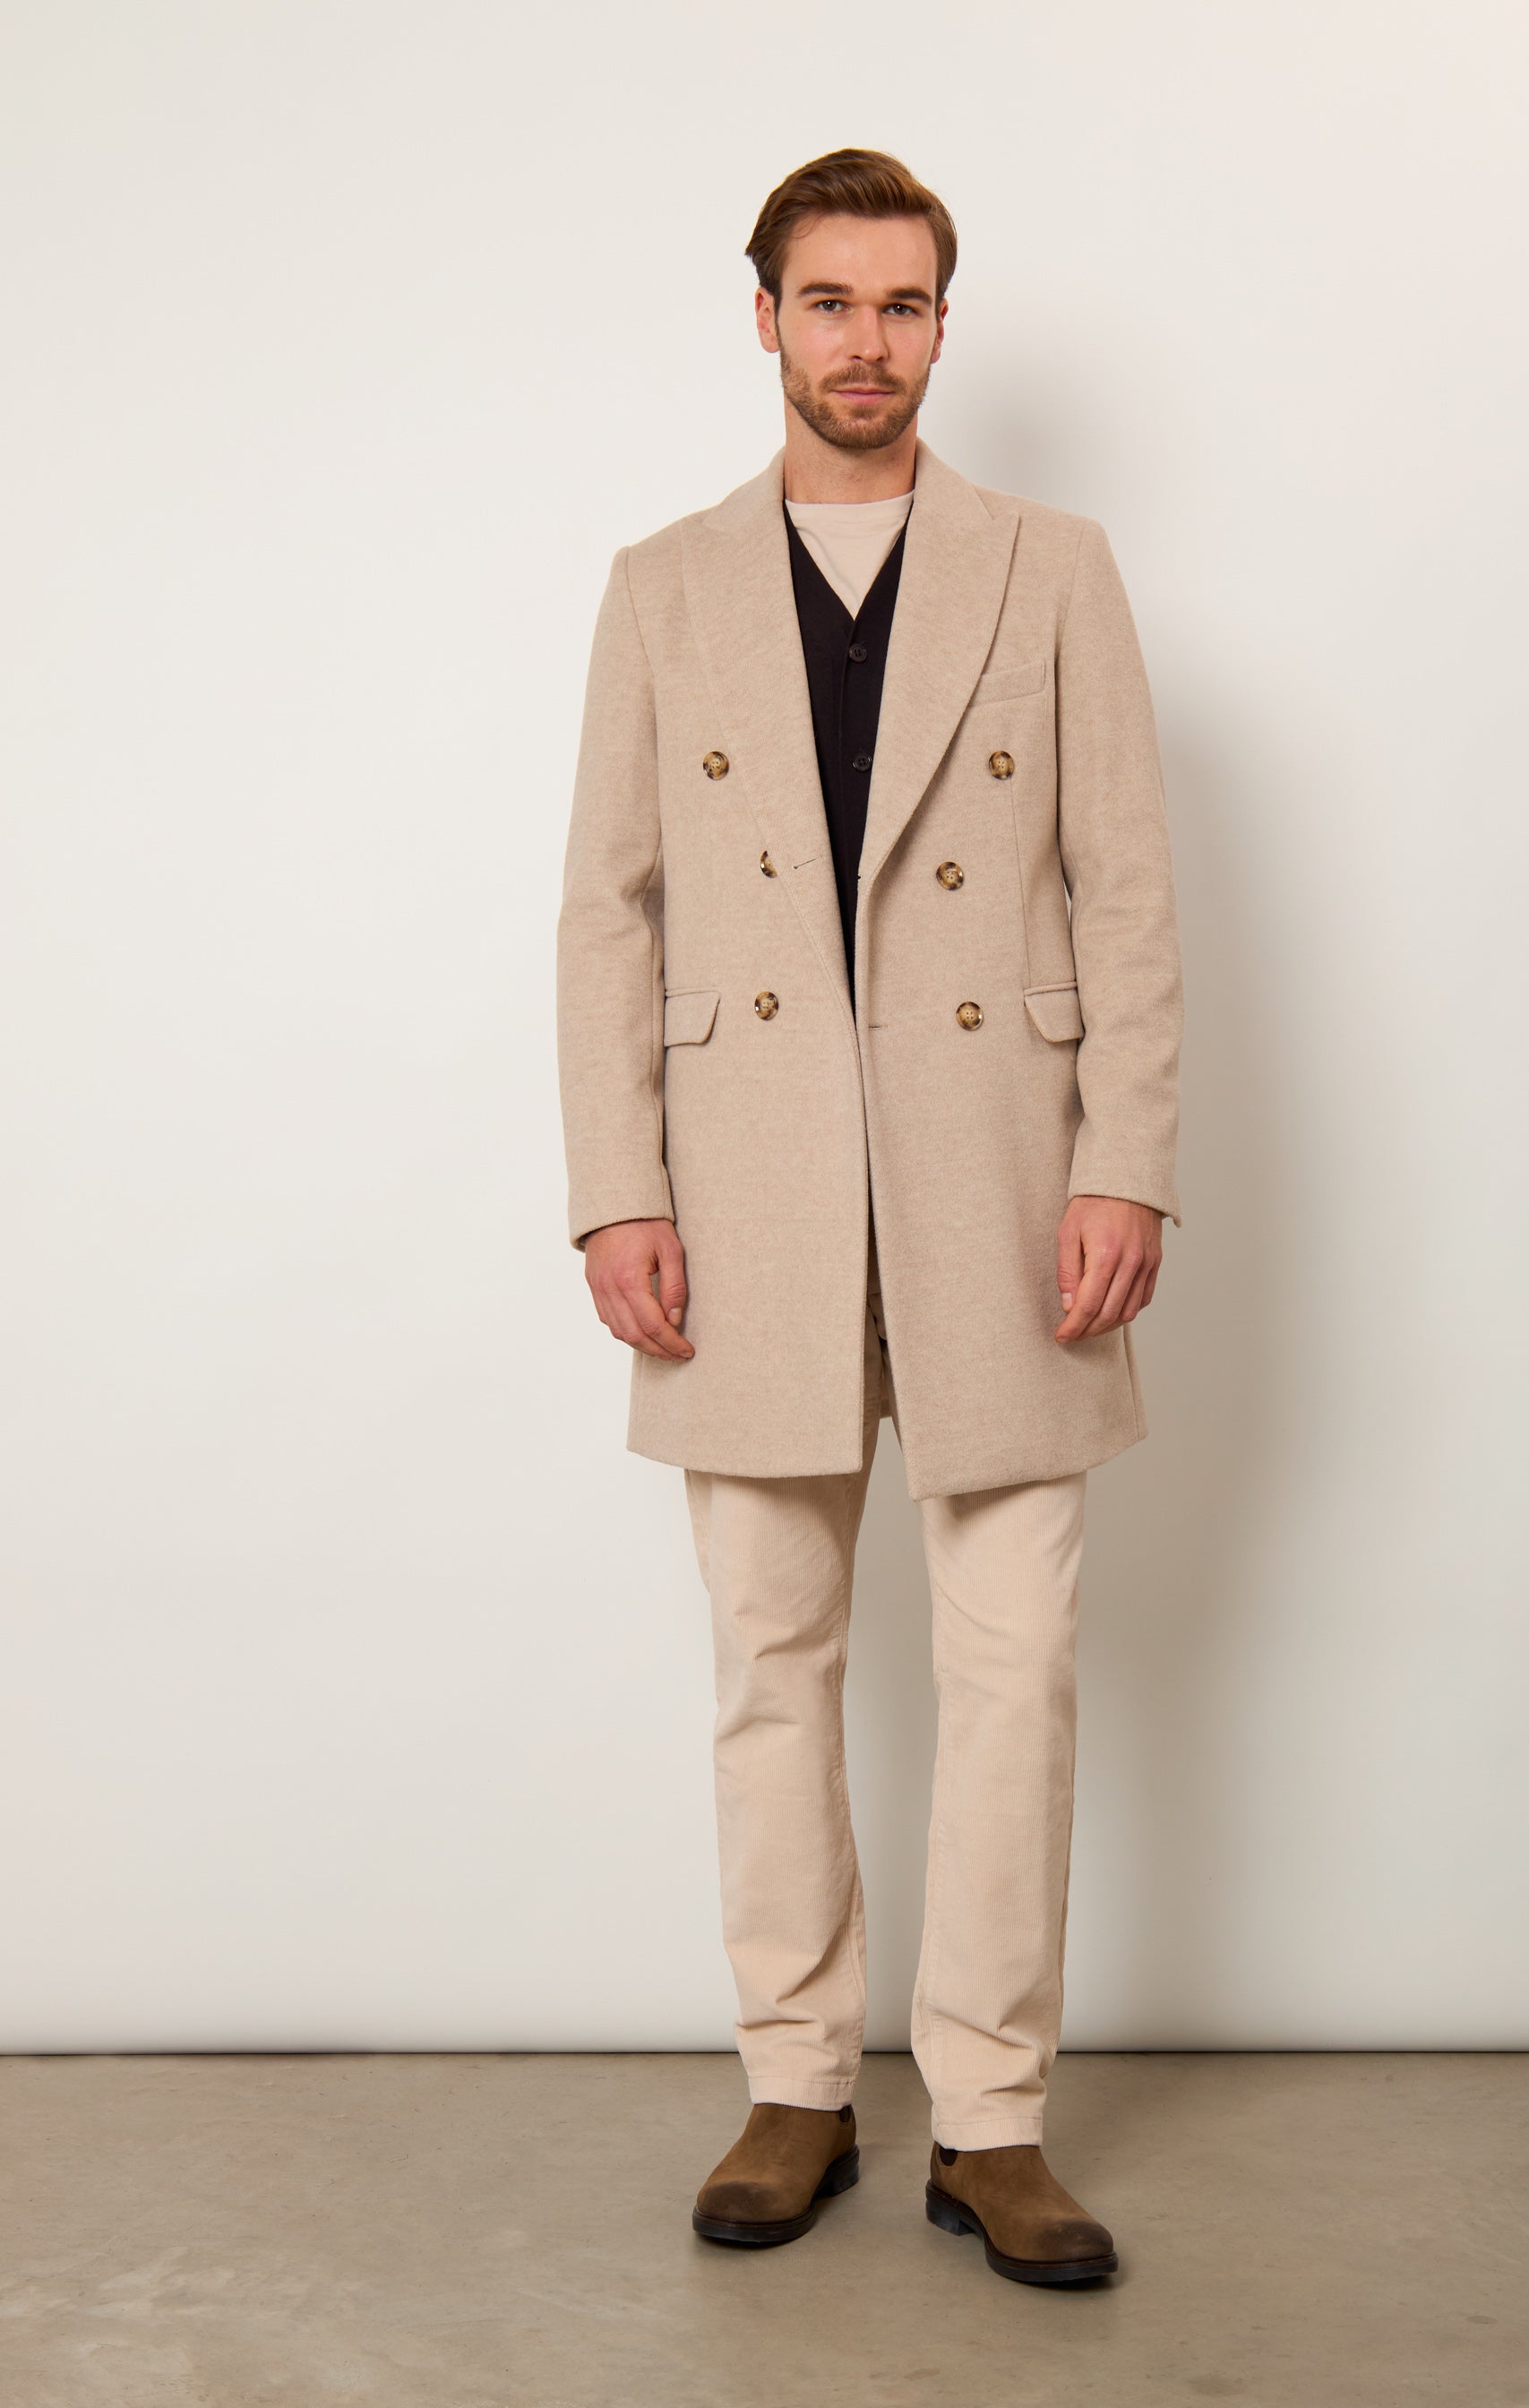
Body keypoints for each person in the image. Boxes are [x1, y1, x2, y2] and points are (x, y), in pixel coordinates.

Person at [556, 147, 1183, 2287]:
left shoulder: (1051, 566)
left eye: (903, 304)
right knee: (769, 1657)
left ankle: (990, 2119)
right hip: (746, 1194)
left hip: (1002, 1181)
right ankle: (798, 2086)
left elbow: (1128, 887)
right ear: (765, 320)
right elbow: (607, 915)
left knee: (1017, 1666)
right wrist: (617, 1193)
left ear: (941, 325)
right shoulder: (662, 586)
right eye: (828, 302)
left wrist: (1124, 1157)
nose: (866, 342)